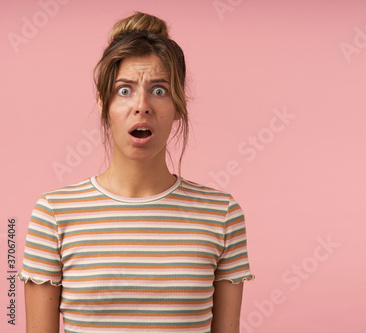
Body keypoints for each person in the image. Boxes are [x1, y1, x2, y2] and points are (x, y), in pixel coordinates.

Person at [19, 11, 254, 333]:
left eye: (159, 90)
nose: (142, 105)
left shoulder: (222, 214)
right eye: (124, 90)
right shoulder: (54, 214)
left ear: (177, 106)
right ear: (104, 104)